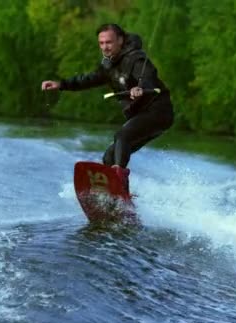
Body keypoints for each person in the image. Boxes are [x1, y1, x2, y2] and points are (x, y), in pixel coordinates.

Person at [41, 23, 174, 197]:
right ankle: (118, 196)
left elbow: (148, 76)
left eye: (109, 42)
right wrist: (61, 84)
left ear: (120, 40)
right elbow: (87, 80)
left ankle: (119, 179)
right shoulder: (108, 66)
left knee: (122, 136)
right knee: (109, 157)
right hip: (142, 116)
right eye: (101, 43)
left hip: (158, 112)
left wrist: (140, 88)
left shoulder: (136, 59)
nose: (105, 47)